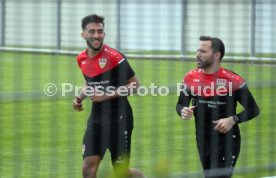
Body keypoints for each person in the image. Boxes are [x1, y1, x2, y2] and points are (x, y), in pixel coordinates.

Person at [176, 36, 260, 178]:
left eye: (202, 51)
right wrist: (183, 111)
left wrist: (233, 119)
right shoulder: (190, 77)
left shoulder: (233, 80)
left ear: (216, 55)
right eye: (197, 51)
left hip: (226, 141)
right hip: (202, 139)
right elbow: (180, 104)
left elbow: (253, 109)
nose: (197, 55)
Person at [72, 14, 144, 178]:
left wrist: (104, 95)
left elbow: (136, 85)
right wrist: (79, 98)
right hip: (96, 121)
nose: (96, 35)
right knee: (87, 168)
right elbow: (90, 82)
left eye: (100, 31)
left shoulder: (115, 57)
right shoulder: (81, 58)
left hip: (119, 121)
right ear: (83, 35)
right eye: (92, 31)